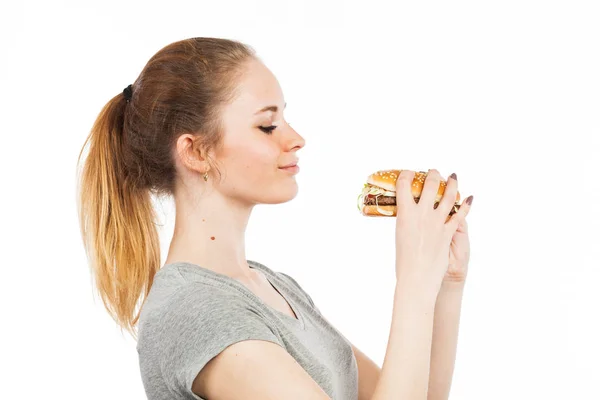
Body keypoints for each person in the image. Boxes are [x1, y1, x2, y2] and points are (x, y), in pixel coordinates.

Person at [76, 37, 473, 400]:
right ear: (196, 153)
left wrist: (445, 284)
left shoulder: (272, 285)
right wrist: (414, 282)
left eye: (284, 118)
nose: (295, 138)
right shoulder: (196, 309)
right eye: (267, 125)